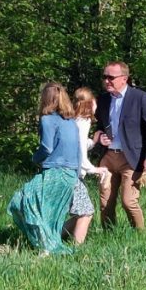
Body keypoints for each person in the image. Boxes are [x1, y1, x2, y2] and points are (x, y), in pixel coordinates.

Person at [7, 82, 81, 255]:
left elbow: (47, 148)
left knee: (21, 201)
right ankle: (48, 245)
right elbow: (78, 152)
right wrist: (76, 177)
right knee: (52, 213)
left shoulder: (47, 120)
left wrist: (35, 158)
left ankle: (45, 247)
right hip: (70, 174)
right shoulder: (71, 122)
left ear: (45, 98)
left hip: (54, 172)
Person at [93, 61, 146, 230]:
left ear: (124, 78)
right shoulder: (102, 100)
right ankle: (109, 236)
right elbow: (99, 126)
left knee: (128, 201)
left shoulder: (140, 98)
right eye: (105, 77)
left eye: (111, 77)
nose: (107, 81)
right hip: (108, 158)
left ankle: (140, 236)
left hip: (131, 159)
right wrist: (100, 137)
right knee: (105, 203)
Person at [63, 87, 111, 244]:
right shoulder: (84, 122)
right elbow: (81, 155)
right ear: (90, 103)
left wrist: (94, 141)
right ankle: (76, 248)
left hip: (66, 172)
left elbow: (79, 145)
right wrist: (94, 169)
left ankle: (55, 236)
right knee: (86, 212)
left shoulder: (71, 120)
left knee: (80, 212)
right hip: (74, 175)